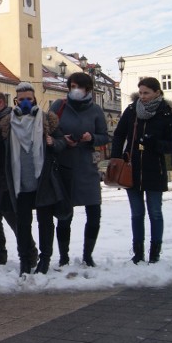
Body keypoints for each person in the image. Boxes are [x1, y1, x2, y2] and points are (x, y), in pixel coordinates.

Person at [110, 77, 172, 265]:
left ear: (157, 93)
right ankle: (138, 252)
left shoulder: (166, 112)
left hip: (155, 168)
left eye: (147, 93)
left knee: (155, 212)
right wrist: (117, 157)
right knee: (137, 213)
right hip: (132, 167)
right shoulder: (132, 110)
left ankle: (155, 252)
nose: (143, 97)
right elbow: (119, 134)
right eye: (141, 93)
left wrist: (155, 143)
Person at [6, 82, 67, 275]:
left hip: (43, 181)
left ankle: (45, 259)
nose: (25, 102)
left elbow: (62, 143)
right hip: (20, 182)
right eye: (21, 99)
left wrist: (53, 142)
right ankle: (25, 260)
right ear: (16, 100)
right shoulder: (8, 123)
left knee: (45, 222)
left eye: (28, 99)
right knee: (23, 224)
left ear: (34, 100)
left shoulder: (47, 120)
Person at [50, 72, 110, 267]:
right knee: (65, 214)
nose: (75, 90)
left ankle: (88, 255)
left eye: (80, 87)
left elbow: (104, 136)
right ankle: (64, 256)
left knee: (94, 211)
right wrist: (62, 140)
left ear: (88, 90)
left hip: (87, 166)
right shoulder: (58, 106)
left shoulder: (95, 110)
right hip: (65, 166)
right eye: (73, 86)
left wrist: (90, 138)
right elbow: (49, 130)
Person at [0, 90, 24, 266]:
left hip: (6, 179)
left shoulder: (12, 120)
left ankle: (29, 252)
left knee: (14, 219)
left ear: (1, 102)